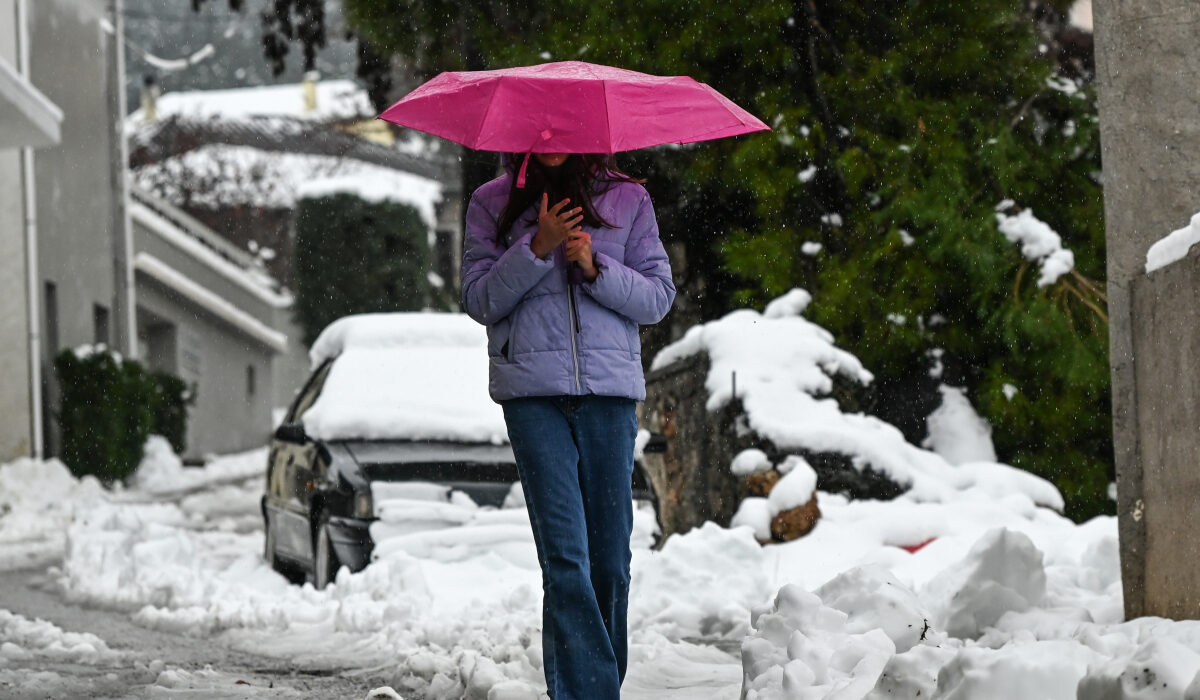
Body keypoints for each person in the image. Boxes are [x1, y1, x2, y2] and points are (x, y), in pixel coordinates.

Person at [460, 151, 675, 700]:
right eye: (539, 127)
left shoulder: (629, 199)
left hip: (608, 395)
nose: (551, 137)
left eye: (563, 127)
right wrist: (536, 246)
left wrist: (595, 266)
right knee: (565, 558)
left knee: (609, 563)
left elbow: (656, 298)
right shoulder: (491, 203)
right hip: (533, 397)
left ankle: (585, 687)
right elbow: (480, 299)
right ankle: (590, 695)